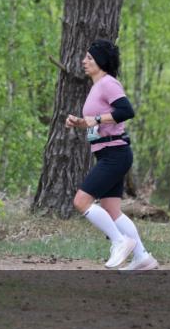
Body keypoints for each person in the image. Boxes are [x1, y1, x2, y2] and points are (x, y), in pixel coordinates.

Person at [64, 39, 157, 271]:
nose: (84, 61)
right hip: (107, 153)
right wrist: (80, 123)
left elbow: (126, 111)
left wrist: (94, 119)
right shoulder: (97, 87)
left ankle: (119, 241)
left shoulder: (108, 84)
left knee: (81, 201)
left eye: (89, 58)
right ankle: (142, 257)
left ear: (101, 62)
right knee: (112, 210)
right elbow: (100, 121)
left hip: (115, 153)